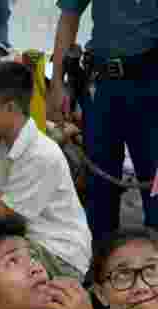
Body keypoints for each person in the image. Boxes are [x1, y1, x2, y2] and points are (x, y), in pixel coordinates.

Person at [0, 62, 91, 281]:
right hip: (27, 240)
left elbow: (2, 220)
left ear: (10, 108)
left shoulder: (39, 154)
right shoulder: (4, 146)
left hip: (59, 254)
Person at [48, 0, 158, 242]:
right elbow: (69, 15)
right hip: (101, 85)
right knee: (99, 189)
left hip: (151, 83)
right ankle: (101, 263)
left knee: (155, 185)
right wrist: (57, 83)